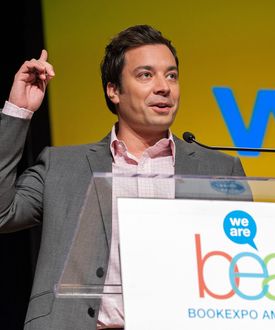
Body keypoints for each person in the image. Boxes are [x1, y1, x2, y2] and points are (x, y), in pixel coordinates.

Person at [0, 25, 246, 329]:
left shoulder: (219, 170)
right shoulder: (62, 166)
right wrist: (18, 112)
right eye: (145, 75)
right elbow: (2, 213)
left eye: (171, 75)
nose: (163, 87)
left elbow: (242, 269)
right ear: (113, 90)